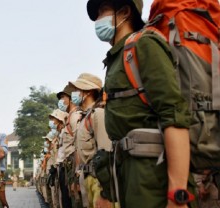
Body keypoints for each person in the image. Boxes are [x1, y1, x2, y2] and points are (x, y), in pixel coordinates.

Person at [86, 0, 196, 207]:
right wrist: (108, 191)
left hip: (152, 175)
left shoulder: (144, 44)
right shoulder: (117, 57)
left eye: (103, 12)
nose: (98, 20)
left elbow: (174, 114)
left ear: (125, 12)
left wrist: (177, 195)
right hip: (129, 174)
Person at [68, 73, 113, 208]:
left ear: (87, 92)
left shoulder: (98, 114)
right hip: (86, 178)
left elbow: (106, 153)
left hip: (98, 181)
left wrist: (106, 193)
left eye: (78, 90)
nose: (74, 94)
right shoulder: (83, 118)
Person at [57, 84, 83, 208]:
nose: (61, 101)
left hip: (74, 163)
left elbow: (79, 144)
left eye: (63, 97)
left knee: (76, 201)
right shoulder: (69, 117)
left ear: (71, 98)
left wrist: (77, 173)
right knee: (69, 200)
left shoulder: (76, 116)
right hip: (68, 164)